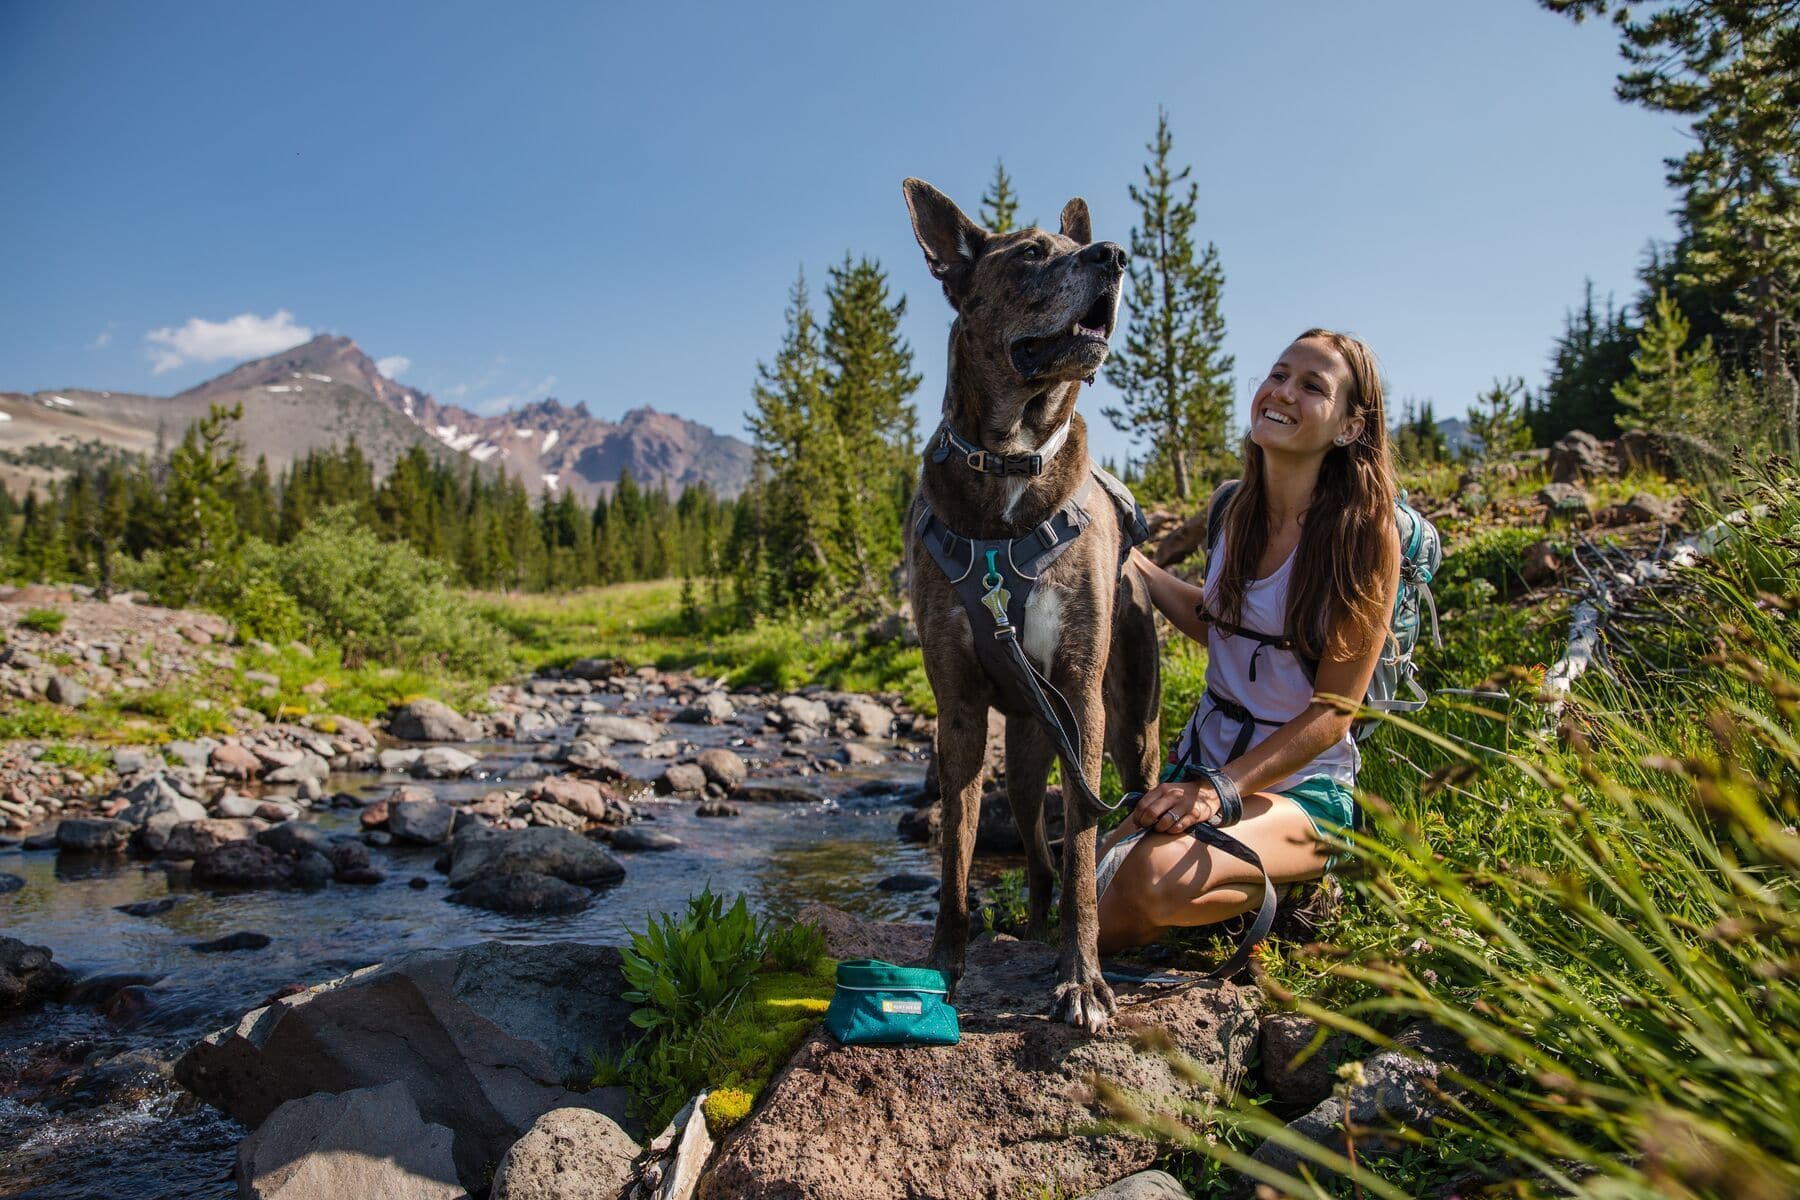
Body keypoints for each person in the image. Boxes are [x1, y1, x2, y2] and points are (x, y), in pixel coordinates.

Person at [1097, 328, 1401, 954]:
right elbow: (1222, 626)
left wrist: (1218, 791)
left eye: (1312, 386)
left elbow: (1333, 714)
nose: (1282, 392)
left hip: (1302, 791)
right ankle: (1244, 892)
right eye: (1279, 373)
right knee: (1094, 887)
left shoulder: (1363, 537)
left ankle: (1304, 884)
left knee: (1146, 881)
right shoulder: (1234, 509)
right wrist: (1137, 567)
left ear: (1349, 426)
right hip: (1204, 766)